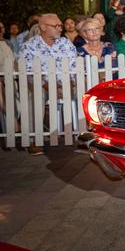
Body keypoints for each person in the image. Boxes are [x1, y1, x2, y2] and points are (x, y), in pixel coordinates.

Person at [18, 14, 78, 155]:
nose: (59, 29)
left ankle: (85, 134)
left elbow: (74, 67)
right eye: (55, 26)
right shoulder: (29, 46)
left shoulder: (66, 43)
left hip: (66, 84)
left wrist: (69, 83)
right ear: (43, 27)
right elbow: (28, 73)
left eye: (60, 26)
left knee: (86, 90)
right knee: (35, 95)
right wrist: (48, 86)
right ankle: (35, 139)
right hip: (40, 85)